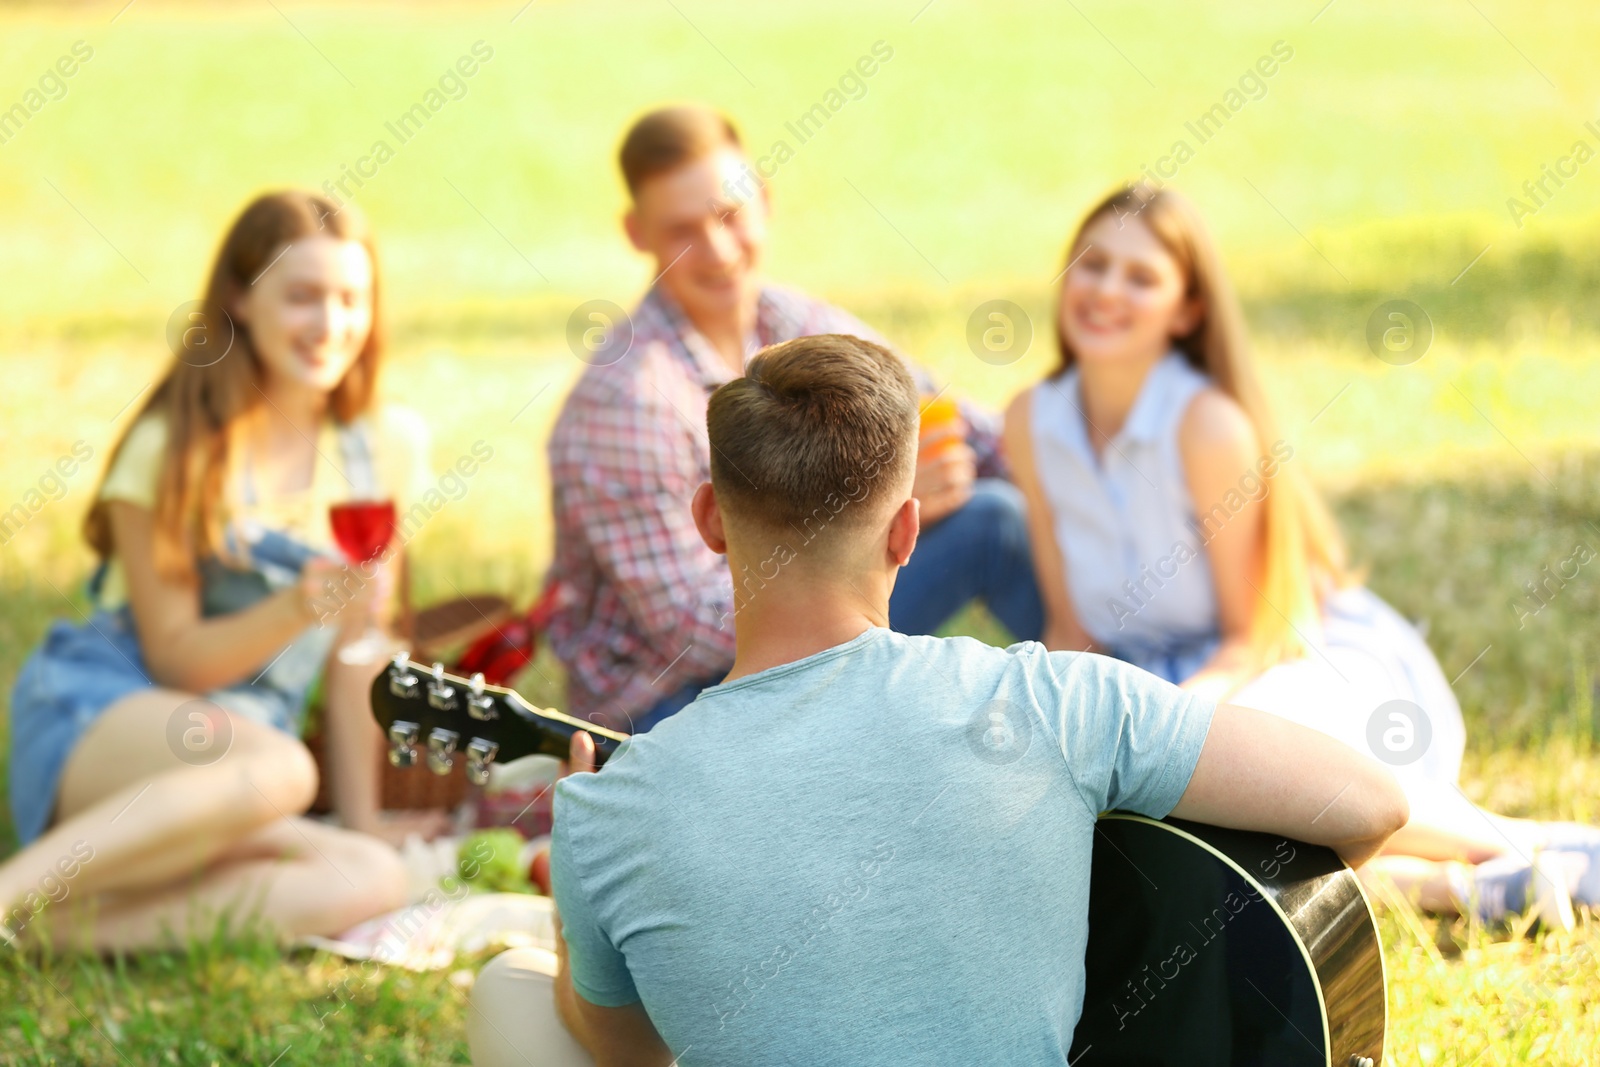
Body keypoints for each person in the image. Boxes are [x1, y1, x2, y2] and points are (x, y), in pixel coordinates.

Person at [466, 332, 1409, 1066]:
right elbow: (1372, 804)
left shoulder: (604, 811)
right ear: (908, 530)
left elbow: (633, 1053)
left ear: (711, 519)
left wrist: (579, 879)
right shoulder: (1051, 699)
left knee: (510, 986)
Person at [1003, 181, 1599, 924]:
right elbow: (1071, 628)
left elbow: (1256, 630)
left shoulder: (1207, 426)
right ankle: (1467, 890)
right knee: (1157, 842)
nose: (1106, 291)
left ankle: (1541, 845)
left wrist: (1175, 727)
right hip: (1150, 678)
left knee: (1244, 787)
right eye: (1093, 265)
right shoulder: (1031, 421)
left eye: (1142, 276)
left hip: (1280, 662)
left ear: (1187, 309)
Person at [0, 191, 440, 952]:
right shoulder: (176, 446)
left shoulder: (384, 447)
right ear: (240, 296)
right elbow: (176, 656)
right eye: (302, 297)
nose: (330, 325)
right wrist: (295, 608)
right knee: (282, 771)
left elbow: (355, 657)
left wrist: (365, 818)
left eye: (350, 298)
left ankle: (52, 932)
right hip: (113, 713)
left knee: (370, 874)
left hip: (244, 770)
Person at [544, 105, 1042, 734]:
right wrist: (873, 511)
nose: (719, 250)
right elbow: (694, 634)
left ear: (765, 200)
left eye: (730, 215)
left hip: (797, 632)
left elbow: (961, 428)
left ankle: (1136, 700)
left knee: (999, 514)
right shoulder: (626, 403)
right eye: (682, 231)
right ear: (637, 233)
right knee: (992, 523)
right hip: (672, 709)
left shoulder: (793, 323)